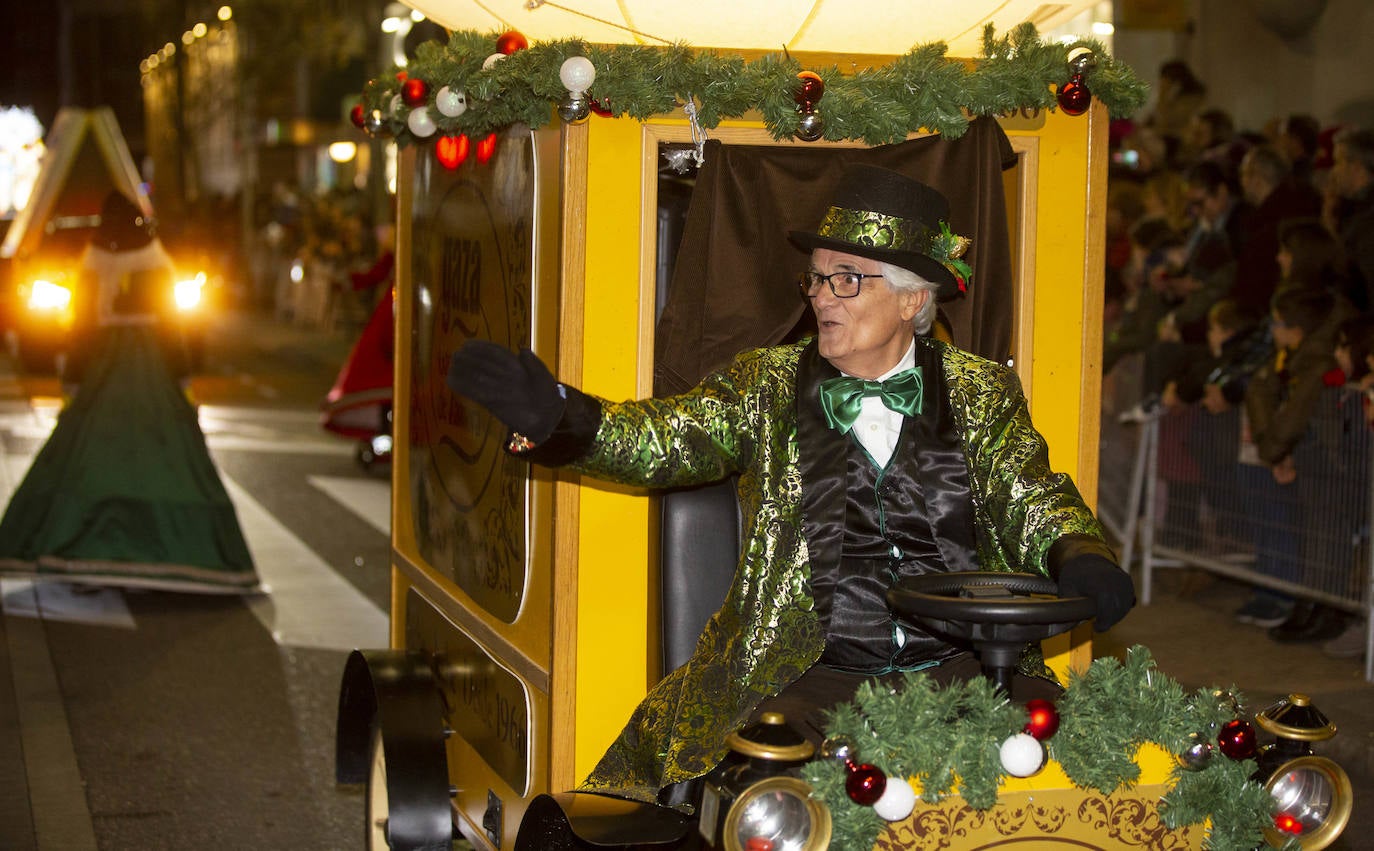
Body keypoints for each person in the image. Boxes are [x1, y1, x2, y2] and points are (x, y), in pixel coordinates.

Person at [447, 165, 1135, 804]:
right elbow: (667, 438)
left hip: (961, 665)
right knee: (761, 796)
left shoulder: (979, 390)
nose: (821, 298)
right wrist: (568, 418)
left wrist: (1079, 549)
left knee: (1088, 777)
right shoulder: (767, 382)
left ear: (912, 300)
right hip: (805, 671)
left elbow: (1027, 489)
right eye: (816, 279)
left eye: (847, 279)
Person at [0, 191, 259, 593]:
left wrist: (71, 382)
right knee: (168, 459)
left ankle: (88, 547)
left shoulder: (93, 265)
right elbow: (173, 329)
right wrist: (182, 379)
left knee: (89, 459)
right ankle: (173, 551)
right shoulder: (156, 264)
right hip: (152, 374)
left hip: (105, 373)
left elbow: (81, 330)